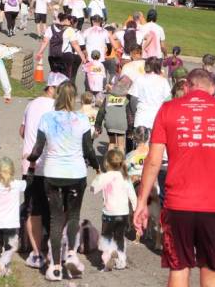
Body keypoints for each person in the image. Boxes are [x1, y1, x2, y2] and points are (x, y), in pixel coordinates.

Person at [133, 69, 215, 287]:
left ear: (186, 86)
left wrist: (141, 201)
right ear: (213, 88)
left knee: (178, 268)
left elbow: (153, 161)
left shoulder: (168, 109)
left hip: (178, 204)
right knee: (213, 269)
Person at [27, 82, 101, 282]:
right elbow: (88, 149)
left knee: (56, 219)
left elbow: (37, 149)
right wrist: (96, 165)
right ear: (74, 97)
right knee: (74, 215)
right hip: (76, 174)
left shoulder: (46, 118)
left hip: (53, 174)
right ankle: (71, 254)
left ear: (57, 95)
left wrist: (31, 161)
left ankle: (55, 266)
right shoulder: (82, 119)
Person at [20, 72, 67, 269]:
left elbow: (22, 131)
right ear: (52, 88)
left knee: (34, 209)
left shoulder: (31, 104)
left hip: (30, 165)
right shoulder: (58, 108)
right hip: (51, 165)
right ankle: (55, 253)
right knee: (56, 210)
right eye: (61, 89)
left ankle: (36, 253)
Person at [91, 149, 138, 271]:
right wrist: (136, 209)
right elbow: (132, 195)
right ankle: (121, 260)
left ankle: (107, 256)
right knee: (120, 237)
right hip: (123, 214)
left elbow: (93, 189)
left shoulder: (104, 177)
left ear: (106, 163)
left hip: (109, 214)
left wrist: (97, 178)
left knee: (107, 236)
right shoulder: (125, 177)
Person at [0, 157, 27, 277]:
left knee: (1, 245)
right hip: (11, 223)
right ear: (12, 172)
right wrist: (31, 167)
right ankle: (3, 264)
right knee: (12, 247)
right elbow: (29, 182)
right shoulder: (17, 184)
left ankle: (3, 270)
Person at [36, 13, 86, 80]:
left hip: (53, 56)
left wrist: (40, 52)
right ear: (65, 20)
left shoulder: (50, 28)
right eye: (68, 20)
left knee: (55, 75)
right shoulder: (70, 30)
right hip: (66, 56)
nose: (70, 22)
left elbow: (45, 41)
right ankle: (63, 88)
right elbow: (75, 44)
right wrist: (82, 56)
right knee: (66, 77)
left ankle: (55, 88)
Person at [129, 57, 171, 132]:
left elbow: (133, 99)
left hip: (141, 118)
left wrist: (134, 113)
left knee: (140, 143)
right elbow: (168, 100)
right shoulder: (163, 81)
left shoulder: (139, 79)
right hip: (157, 119)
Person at [95, 76, 133, 153]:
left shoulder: (108, 96)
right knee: (121, 145)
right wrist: (130, 129)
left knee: (111, 143)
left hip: (110, 122)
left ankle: (108, 162)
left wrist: (98, 125)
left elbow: (101, 111)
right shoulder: (127, 98)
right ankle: (120, 164)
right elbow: (129, 115)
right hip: (122, 124)